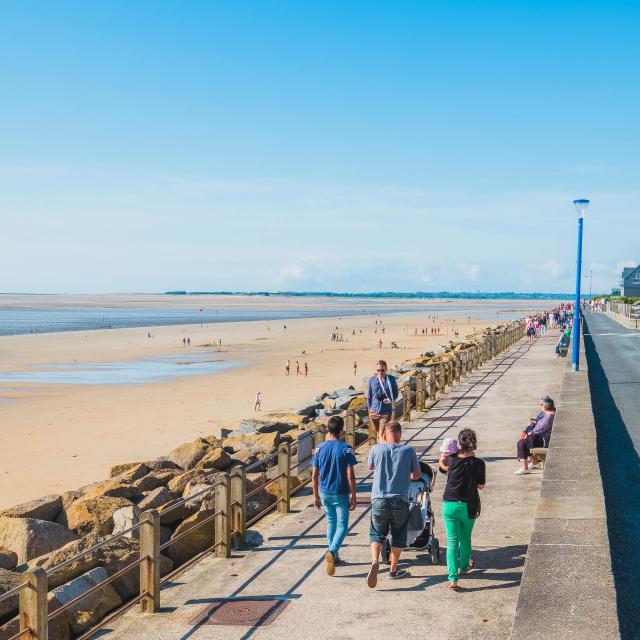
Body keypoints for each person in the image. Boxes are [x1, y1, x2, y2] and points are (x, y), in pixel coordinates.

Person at [367, 420, 421, 587]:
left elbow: (370, 468)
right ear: (400, 434)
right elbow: (417, 475)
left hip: (379, 499)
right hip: (400, 499)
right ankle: (393, 570)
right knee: (398, 534)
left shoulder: (376, 449)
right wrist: (406, 476)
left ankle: (375, 561)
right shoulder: (408, 450)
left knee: (377, 533)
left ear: (384, 434)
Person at [311, 416, 358, 576]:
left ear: (328, 430)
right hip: (341, 492)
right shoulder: (346, 449)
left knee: (331, 523)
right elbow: (350, 475)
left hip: (324, 492)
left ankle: (334, 557)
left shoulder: (319, 448)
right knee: (343, 525)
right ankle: (332, 550)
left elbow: (314, 475)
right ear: (342, 430)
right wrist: (354, 496)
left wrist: (315, 495)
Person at [441, 428, 486, 590]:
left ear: (459, 443)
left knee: (452, 541)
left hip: (449, 504)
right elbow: (481, 486)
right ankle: (464, 566)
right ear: (474, 444)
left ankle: (453, 578)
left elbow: (442, 466)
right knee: (465, 537)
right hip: (469, 505)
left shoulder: (451, 460)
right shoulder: (479, 463)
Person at [515, 398, 555, 474]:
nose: (540, 406)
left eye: (541, 405)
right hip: (542, 437)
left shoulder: (549, 417)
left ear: (544, 407)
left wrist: (529, 433)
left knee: (521, 443)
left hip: (544, 440)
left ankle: (525, 468)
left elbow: (539, 429)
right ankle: (534, 462)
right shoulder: (549, 415)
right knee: (523, 442)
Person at [366, 360, 399, 442]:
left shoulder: (391, 379)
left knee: (381, 433)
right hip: (374, 411)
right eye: (378, 370)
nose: (380, 372)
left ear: (386, 369)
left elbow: (396, 393)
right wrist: (370, 409)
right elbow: (369, 396)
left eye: (382, 370)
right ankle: (383, 445)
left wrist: (390, 400)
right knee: (378, 432)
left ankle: (382, 451)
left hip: (386, 411)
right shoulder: (372, 380)